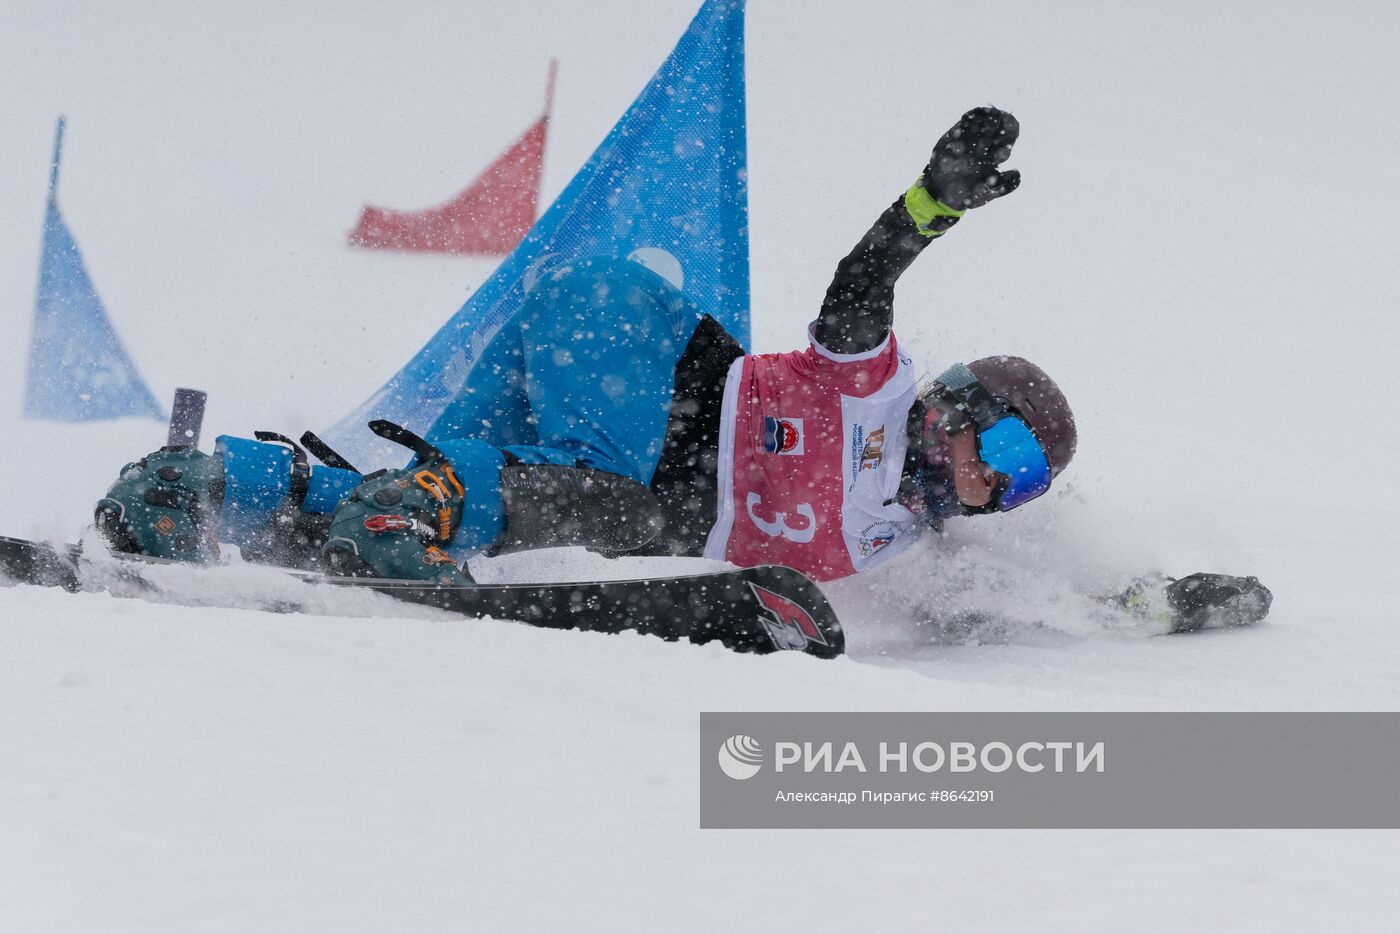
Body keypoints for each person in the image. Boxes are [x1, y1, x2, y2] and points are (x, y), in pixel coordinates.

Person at [92, 106, 1269, 629]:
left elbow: (1025, 599)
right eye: (1001, 450)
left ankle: (205, 487)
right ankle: (407, 515)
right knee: (617, 506)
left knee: (431, 486)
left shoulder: (918, 539)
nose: (994, 487)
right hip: (643, 361)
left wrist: (1157, 602)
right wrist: (930, 203)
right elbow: (856, 288)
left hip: (597, 360)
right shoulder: (875, 396)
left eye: (1020, 484)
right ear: (957, 406)